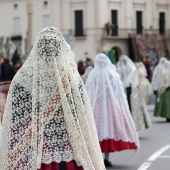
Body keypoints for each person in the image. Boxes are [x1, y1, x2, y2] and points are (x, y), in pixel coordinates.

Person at [0, 27, 105, 170]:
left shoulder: (22, 77)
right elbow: (81, 115)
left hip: (31, 147)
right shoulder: (71, 77)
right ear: (60, 48)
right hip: (67, 146)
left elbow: (14, 119)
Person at [85, 53, 140, 167]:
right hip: (111, 105)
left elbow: (88, 92)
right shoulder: (113, 75)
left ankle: (97, 158)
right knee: (109, 129)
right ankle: (106, 158)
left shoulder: (93, 75)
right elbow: (119, 93)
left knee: (97, 130)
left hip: (96, 105)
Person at [117, 55, 152, 131]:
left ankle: (136, 126)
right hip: (126, 91)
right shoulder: (121, 69)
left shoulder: (132, 69)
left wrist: (123, 86)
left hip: (133, 91)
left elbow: (128, 80)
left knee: (135, 109)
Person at [152, 57, 170, 122]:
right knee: (166, 104)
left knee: (167, 104)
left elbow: (167, 81)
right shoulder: (163, 71)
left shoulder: (166, 71)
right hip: (165, 89)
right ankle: (167, 116)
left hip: (166, 89)